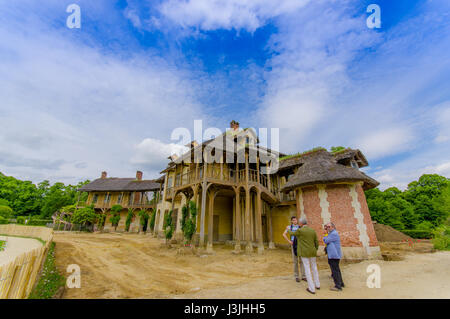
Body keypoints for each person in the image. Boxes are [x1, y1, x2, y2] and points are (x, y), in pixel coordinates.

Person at [287, 217, 320, 294]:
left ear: (301, 223)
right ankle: (317, 284)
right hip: (313, 252)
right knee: (314, 268)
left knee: (307, 269)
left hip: (304, 252)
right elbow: (316, 242)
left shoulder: (300, 230)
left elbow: (292, 234)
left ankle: (311, 288)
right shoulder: (312, 230)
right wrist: (315, 249)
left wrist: (288, 229)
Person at [282, 216, 306, 282]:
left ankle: (303, 275)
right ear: (291, 221)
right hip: (294, 244)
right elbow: (284, 234)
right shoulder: (289, 227)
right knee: (295, 261)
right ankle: (296, 276)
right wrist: (289, 241)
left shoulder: (300, 226)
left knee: (302, 260)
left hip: (300, 245)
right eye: (294, 220)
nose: (295, 221)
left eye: (296, 220)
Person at [323, 222, 345, 291]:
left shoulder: (333, 234)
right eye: (326, 227)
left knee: (334, 270)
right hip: (334, 255)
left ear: (333, 227)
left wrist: (325, 235)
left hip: (334, 255)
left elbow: (326, 240)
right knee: (337, 270)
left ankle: (338, 286)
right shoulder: (332, 233)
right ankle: (341, 283)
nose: (327, 228)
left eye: (329, 227)